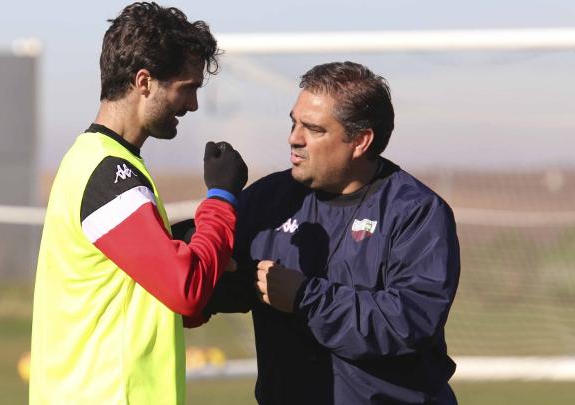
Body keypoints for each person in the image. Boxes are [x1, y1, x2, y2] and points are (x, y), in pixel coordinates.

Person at [202, 62, 460, 404]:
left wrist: (305, 298)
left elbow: (407, 323)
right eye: (294, 122)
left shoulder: (417, 213)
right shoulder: (267, 200)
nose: (294, 138)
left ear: (360, 141)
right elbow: (219, 282)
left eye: (314, 129)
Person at [29, 3, 247, 404]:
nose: (193, 105)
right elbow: (185, 290)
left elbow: (158, 298)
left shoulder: (103, 162)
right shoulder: (106, 173)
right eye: (188, 87)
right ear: (144, 81)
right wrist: (221, 198)